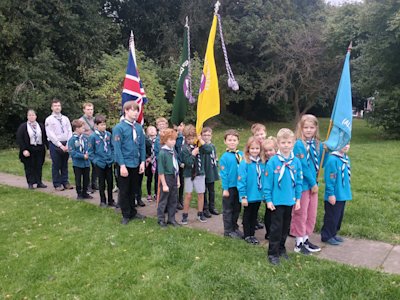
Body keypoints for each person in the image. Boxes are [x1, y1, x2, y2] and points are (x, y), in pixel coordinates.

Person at [264, 128, 303, 265]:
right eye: (283, 142)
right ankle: (272, 253)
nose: (286, 145)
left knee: (286, 227)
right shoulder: (273, 162)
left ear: (293, 143)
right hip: (276, 201)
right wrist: (268, 200)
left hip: (290, 200)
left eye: (289, 142)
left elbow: (299, 181)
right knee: (276, 228)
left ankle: (281, 248)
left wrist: (298, 199)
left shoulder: (296, 162)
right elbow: (267, 183)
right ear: (278, 144)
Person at [290, 114, 323, 254]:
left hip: (313, 184)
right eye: (306, 127)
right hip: (302, 184)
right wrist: (312, 182)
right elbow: (303, 166)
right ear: (301, 128)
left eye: (312, 127)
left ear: (316, 128)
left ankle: (306, 238)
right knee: (301, 213)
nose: (309, 130)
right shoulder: (298, 144)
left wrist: (327, 150)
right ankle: (298, 242)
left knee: (311, 213)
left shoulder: (317, 144)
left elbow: (321, 162)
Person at [112, 101, 146, 225]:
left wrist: (142, 162)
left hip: (136, 163)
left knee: (134, 189)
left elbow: (142, 146)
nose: (136, 113)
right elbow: (117, 148)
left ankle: (133, 211)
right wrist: (122, 165)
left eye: (137, 110)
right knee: (124, 190)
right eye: (133, 110)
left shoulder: (138, 127)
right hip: (124, 164)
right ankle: (126, 214)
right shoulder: (119, 128)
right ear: (126, 111)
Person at [179, 124, 212, 224]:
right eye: (188, 138)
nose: (191, 140)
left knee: (201, 194)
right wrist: (193, 154)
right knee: (188, 195)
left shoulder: (200, 146)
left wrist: (200, 140)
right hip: (189, 174)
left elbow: (209, 150)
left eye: (193, 138)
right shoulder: (184, 149)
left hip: (200, 173)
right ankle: (185, 215)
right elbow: (188, 163)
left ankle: (200, 213)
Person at [321, 144, 352, 245]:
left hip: (342, 194)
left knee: (338, 216)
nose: (346, 146)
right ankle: (326, 235)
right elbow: (330, 178)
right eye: (343, 144)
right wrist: (330, 194)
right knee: (331, 216)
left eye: (348, 143)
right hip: (334, 194)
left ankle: (333, 233)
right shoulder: (332, 160)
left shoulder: (345, 158)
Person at [238, 137, 266, 245]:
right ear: (248, 149)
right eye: (252, 148)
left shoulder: (262, 162)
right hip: (248, 195)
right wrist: (243, 196)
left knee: (254, 215)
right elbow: (241, 181)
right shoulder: (245, 163)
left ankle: (252, 234)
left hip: (258, 195)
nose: (255, 151)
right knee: (247, 214)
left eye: (257, 148)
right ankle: (247, 235)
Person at [219, 129, 243, 239]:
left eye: (234, 140)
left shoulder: (241, 154)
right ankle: (228, 230)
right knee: (228, 209)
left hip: (239, 186)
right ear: (225, 142)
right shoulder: (224, 157)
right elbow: (224, 174)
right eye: (229, 140)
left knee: (237, 208)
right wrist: (225, 188)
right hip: (230, 187)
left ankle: (234, 227)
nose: (232, 142)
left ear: (238, 141)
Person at [45, 98, 73, 191]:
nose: (57, 107)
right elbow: (50, 134)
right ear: (52, 108)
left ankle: (65, 182)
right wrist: (60, 145)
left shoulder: (65, 118)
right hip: (55, 144)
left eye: (58, 106)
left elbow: (69, 131)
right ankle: (57, 183)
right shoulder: (49, 120)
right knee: (56, 164)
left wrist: (69, 143)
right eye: (55, 106)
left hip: (66, 142)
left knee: (64, 164)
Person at [16, 109, 48, 189]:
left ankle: (39, 182)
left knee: (39, 165)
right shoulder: (23, 127)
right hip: (28, 149)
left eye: (33, 115)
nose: (31, 117)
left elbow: (45, 137)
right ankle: (30, 183)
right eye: (30, 115)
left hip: (39, 148)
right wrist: (24, 150)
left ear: (36, 116)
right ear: (27, 117)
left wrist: (48, 148)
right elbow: (20, 139)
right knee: (29, 166)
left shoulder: (40, 126)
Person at [88, 114, 115, 207]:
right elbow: (90, 152)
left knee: (110, 182)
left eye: (104, 124)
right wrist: (96, 161)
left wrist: (112, 158)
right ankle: (103, 200)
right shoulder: (93, 137)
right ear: (96, 125)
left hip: (108, 162)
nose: (103, 126)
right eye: (101, 125)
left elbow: (112, 147)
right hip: (100, 163)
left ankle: (111, 200)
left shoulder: (109, 135)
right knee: (101, 182)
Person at [157, 128, 180, 227]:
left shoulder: (173, 151)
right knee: (163, 200)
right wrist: (164, 184)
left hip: (174, 177)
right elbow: (161, 170)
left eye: (174, 139)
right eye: (171, 140)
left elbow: (176, 166)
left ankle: (172, 218)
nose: (173, 142)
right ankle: (161, 219)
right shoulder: (163, 153)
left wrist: (178, 180)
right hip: (166, 178)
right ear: (165, 140)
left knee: (173, 199)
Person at [68, 119, 92, 200]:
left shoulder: (85, 138)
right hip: (78, 163)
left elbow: (89, 147)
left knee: (86, 178)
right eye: (82, 128)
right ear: (77, 129)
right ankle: (79, 193)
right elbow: (72, 152)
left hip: (86, 163)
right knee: (78, 179)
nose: (84, 129)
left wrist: (88, 153)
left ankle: (85, 192)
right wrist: (82, 156)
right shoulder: (72, 139)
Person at [251, 123, 267, 231]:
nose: (260, 137)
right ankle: (253, 221)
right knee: (254, 202)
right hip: (256, 176)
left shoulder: (267, 144)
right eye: (257, 135)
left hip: (265, 175)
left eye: (262, 134)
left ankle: (258, 221)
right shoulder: (254, 146)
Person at [201, 127, 220, 217]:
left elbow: (215, 157)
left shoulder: (212, 146)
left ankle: (212, 207)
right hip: (204, 170)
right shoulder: (202, 147)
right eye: (204, 135)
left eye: (208, 135)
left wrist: (216, 162)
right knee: (204, 190)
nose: (206, 137)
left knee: (212, 190)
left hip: (211, 170)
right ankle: (205, 208)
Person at [79, 102, 98, 192]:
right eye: (88, 109)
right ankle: (87, 185)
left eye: (91, 109)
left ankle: (94, 183)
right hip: (86, 144)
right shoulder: (81, 121)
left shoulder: (95, 120)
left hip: (95, 144)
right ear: (84, 110)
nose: (90, 111)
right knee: (86, 166)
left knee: (95, 164)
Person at [262, 136, 278, 239]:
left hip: (278, 191)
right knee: (269, 212)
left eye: (271, 150)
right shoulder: (265, 163)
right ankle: (269, 232)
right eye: (266, 151)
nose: (268, 153)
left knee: (277, 213)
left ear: (276, 150)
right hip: (268, 192)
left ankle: (276, 231)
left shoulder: (279, 161)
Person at [154, 117, 169, 200]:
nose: (162, 126)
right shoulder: (157, 139)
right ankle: (159, 197)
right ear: (157, 126)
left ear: (167, 125)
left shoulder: (169, 135)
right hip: (160, 162)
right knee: (159, 181)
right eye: (160, 124)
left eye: (163, 124)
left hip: (169, 162)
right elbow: (157, 151)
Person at [174, 122, 185, 210]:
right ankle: (176, 200)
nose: (179, 127)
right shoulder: (174, 137)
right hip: (177, 163)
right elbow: (174, 151)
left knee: (182, 181)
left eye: (181, 125)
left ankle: (181, 199)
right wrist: (179, 162)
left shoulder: (185, 137)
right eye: (177, 125)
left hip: (185, 163)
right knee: (176, 182)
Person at [145, 125, 157, 202]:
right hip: (149, 161)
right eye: (150, 130)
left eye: (153, 129)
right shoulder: (146, 140)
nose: (152, 131)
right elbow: (144, 150)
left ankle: (156, 193)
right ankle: (149, 193)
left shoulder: (159, 140)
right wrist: (147, 157)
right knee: (149, 178)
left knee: (157, 178)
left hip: (156, 161)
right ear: (147, 133)